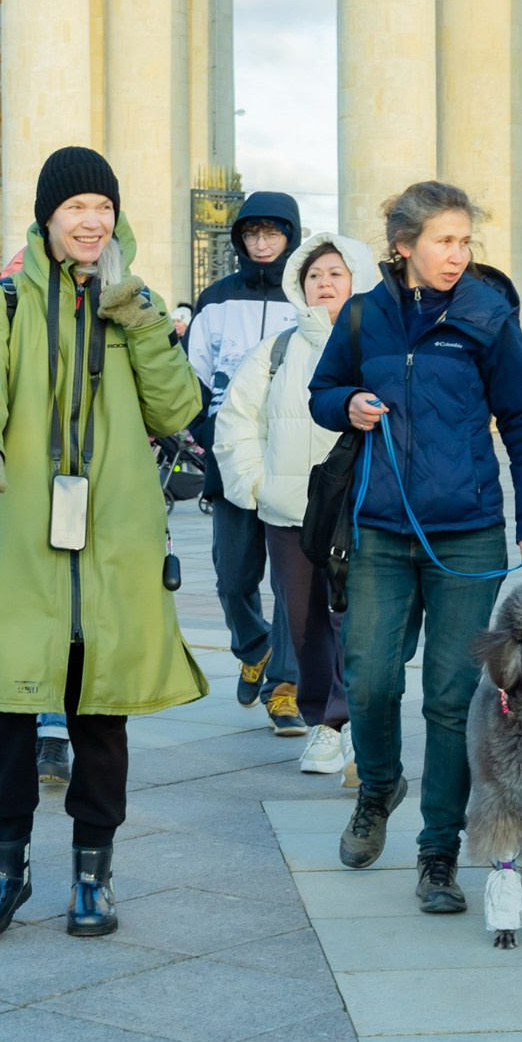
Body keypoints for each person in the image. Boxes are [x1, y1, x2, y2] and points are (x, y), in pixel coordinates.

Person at [0, 146, 203, 940]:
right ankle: (4, 867)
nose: (91, 221)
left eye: (103, 207)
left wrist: (144, 325)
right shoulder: (3, 304)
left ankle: (94, 871)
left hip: (113, 533)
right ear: (47, 218)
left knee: (102, 709)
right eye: (75, 208)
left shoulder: (137, 303)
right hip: (21, 526)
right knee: (7, 702)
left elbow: (176, 409)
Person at [309, 181, 522, 911]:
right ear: (403, 246)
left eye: (464, 241)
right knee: (372, 678)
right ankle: (378, 787)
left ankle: (438, 851)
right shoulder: (362, 316)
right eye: (444, 241)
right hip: (379, 530)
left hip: (469, 532)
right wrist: (345, 405)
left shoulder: (487, 316)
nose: (457, 255)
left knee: (452, 698)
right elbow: (323, 392)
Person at [215, 231, 357, 776]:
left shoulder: (380, 345)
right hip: (291, 513)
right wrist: (256, 486)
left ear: (356, 281)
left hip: (359, 512)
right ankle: (320, 720)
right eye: (314, 275)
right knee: (302, 624)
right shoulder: (276, 350)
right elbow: (237, 422)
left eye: (335, 274)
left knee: (355, 621)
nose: (324, 283)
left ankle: (349, 722)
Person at [185, 190, 304, 723]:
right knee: (233, 578)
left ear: (290, 237)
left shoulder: (307, 296)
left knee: (290, 578)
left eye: (273, 233)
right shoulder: (216, 299)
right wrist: (205, 432)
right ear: (239, 239)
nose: (262, 243)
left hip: (291, 455)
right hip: (230, 454)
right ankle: (254, 648)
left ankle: (286, 685)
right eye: (252, 233)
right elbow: (193, 376)